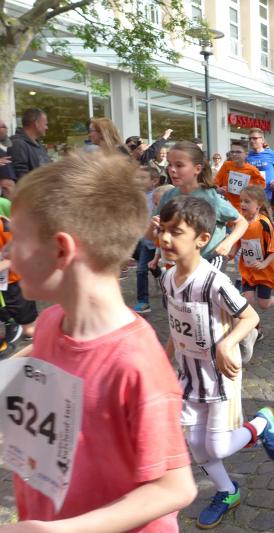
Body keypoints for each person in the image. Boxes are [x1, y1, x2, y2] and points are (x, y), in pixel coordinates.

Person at [8, 151, 197, 530]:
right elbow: (38, 358)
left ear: (61, 249)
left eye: (16, 240)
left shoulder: (135, 363)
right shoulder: (51, 322)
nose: (8, 255)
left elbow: (175, 488)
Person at [157, 195, 274, 529]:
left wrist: (227, 343)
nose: (165, 238)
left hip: (219, 377)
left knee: (218, 446)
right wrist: (163, 363)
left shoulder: (214, 281)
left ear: (202, 239)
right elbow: (175, 326)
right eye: (163, 230)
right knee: (195, 446)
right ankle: (227, 491)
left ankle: (261, 424)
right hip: (188, 377)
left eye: (175, 232)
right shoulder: (167, 279)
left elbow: (251, 317)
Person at [151, 141, 248, 271]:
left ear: (197, 169)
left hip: (211, 258)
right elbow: (151, 234)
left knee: (205, 283)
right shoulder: (168, 196)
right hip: (183, 260)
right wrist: (155, 228)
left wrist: (228, 243)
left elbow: (242, 222)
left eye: (179, 165)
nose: (172, 169)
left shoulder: (210, 197)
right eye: (170, 164)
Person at [230, 185, 274, 331]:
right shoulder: (240, 222)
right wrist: (231, 252)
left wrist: (264, 263)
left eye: (247, 201)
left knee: (263, 304)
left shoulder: (264, 223)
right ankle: (256, 330)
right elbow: (238, 241)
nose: (243, 204)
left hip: (264, 271)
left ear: (258, 205)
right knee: (248, 301)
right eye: (241, 201)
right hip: (248, 270)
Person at [0, 215, 38, 354]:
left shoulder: (5, 226)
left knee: (28, 325)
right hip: (4, 285)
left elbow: (20, 254)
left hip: (14, 282)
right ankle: (12, 324)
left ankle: (36, 338)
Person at [133, 166, 165, 314]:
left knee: (156, 266)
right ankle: (143, 301)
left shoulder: (160, 195)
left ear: (154, 181)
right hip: (146, 241)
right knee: (141, 270)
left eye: (142, 178)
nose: (138, 181)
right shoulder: (138, 197)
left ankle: (165, 282)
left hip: (162, 241)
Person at [214, 140, 266, 214]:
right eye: (232, 152)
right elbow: (215, 182)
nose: (234, 154)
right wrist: (218, 189)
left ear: (246, 154)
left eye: (238, 152)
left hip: (244, 209)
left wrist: (249, 188)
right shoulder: (226, 165)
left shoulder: (252, 170)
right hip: (227, 206)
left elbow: (262, 186)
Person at [8, 108, 50, 181]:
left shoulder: (38, 145)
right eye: (45, 124)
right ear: (36, 124)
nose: (47, 128)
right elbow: (21, 177)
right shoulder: (18, 144)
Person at [246, 128, 274, 200]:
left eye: (255, 138)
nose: (251, 141)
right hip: (253, 197)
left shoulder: (271, 154)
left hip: (269, 196)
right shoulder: (247, 157)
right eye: (250, 139)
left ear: (262, 140)